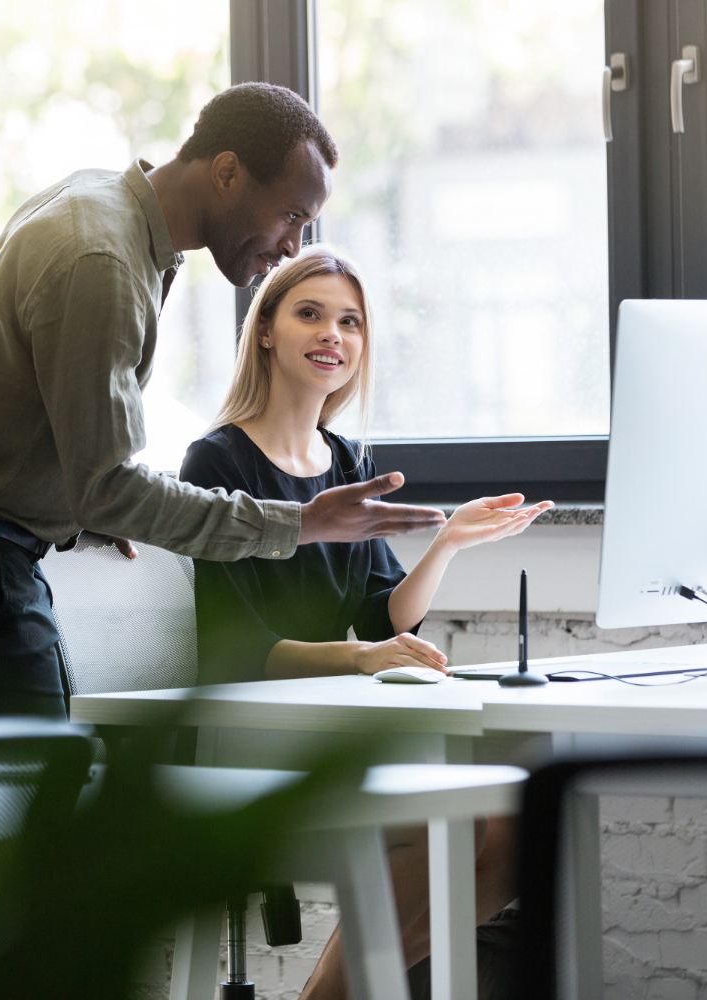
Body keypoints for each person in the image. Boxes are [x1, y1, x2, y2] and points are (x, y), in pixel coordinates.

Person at [0, 83, 446, 722]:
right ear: (228, 173)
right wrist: (301, 524)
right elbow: (109, 486)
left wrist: (83, 494)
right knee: (27, 794)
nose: (295, 246)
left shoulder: (103, 210)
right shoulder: (103, 258)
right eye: (292, 215)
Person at [177, 245, 551, 1000]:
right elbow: (237, 648)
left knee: (513, 832)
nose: (332, 335)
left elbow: (380, 612)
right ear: (266, 333)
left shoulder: (346, 460)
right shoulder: (216, 462)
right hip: (250, 735)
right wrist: (359, 660)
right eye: (309, 313)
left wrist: (446, 542)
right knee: (452, 826)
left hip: (329, 722)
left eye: (350, 321)